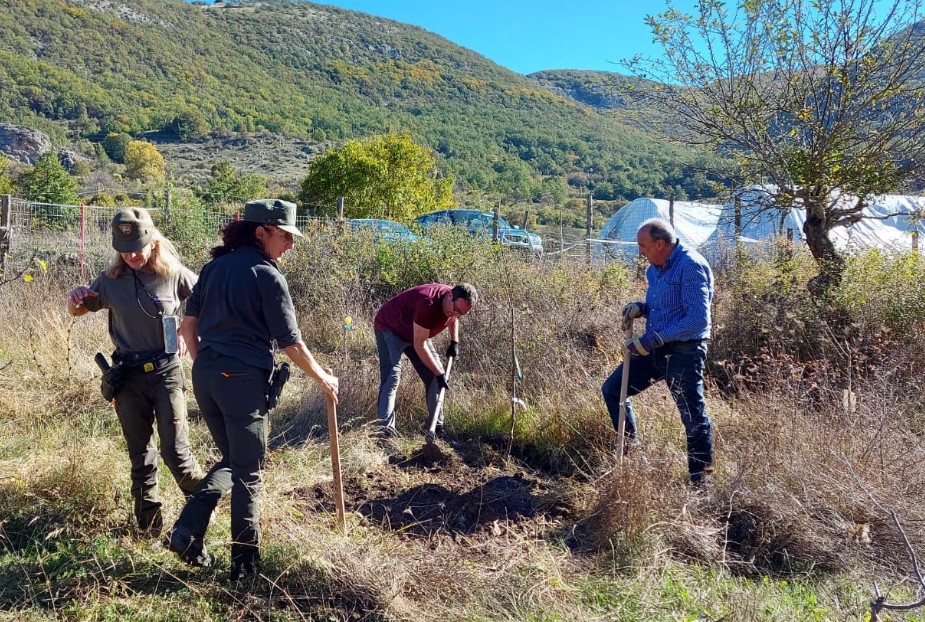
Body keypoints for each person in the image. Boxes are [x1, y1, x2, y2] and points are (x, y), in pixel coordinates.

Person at [167, 198, 338, 582]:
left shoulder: (213, 268)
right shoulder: (267, 274)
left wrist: (206, 363)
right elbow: (291, 343)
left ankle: (188, 532)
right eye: (284, 236)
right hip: (239, 380)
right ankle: (244, 567)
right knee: (250, 472)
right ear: (261, 232)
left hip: (207, 375)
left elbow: (187, 325)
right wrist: (323, 378)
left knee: (234, 460)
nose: (290, 245)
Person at [67, 208, 204, 535]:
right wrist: (74, 298)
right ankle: (149, 529)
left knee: (176, 453)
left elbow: (207, 301)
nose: (131, 255)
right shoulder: (110, 281)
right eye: (124, 249)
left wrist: (189, 332)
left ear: (153, 241)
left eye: (138, 247)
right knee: (141, 458)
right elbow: (77, 310)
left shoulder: (173, 274)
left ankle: (203, 509)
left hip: (167, 372)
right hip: (128, 377)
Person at [601, 218, 715, 485]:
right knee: (613, 390)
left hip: (684, 352)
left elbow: (698, 320)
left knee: (693, 418)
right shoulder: (655, 269)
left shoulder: (691, 266)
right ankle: (633, 458)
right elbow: (668, 307)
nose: (640, 252)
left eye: (643, 245)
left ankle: (702, 485)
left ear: (661, 244)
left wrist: (652, 339)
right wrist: (642, 308)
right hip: (655, 349)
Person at [373, 282, 478, 438]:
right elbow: (419, 345)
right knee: (392, 377)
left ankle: (436, 427)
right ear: (449, 295)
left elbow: (453, 317)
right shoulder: (427, 302)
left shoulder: (453, 303)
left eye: (461, 313)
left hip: (417, 332)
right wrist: (439, 374)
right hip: (391, 329)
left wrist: (454, 341)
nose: (456, 315)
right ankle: (385, 433)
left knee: (436, 379)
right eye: (456, 310)